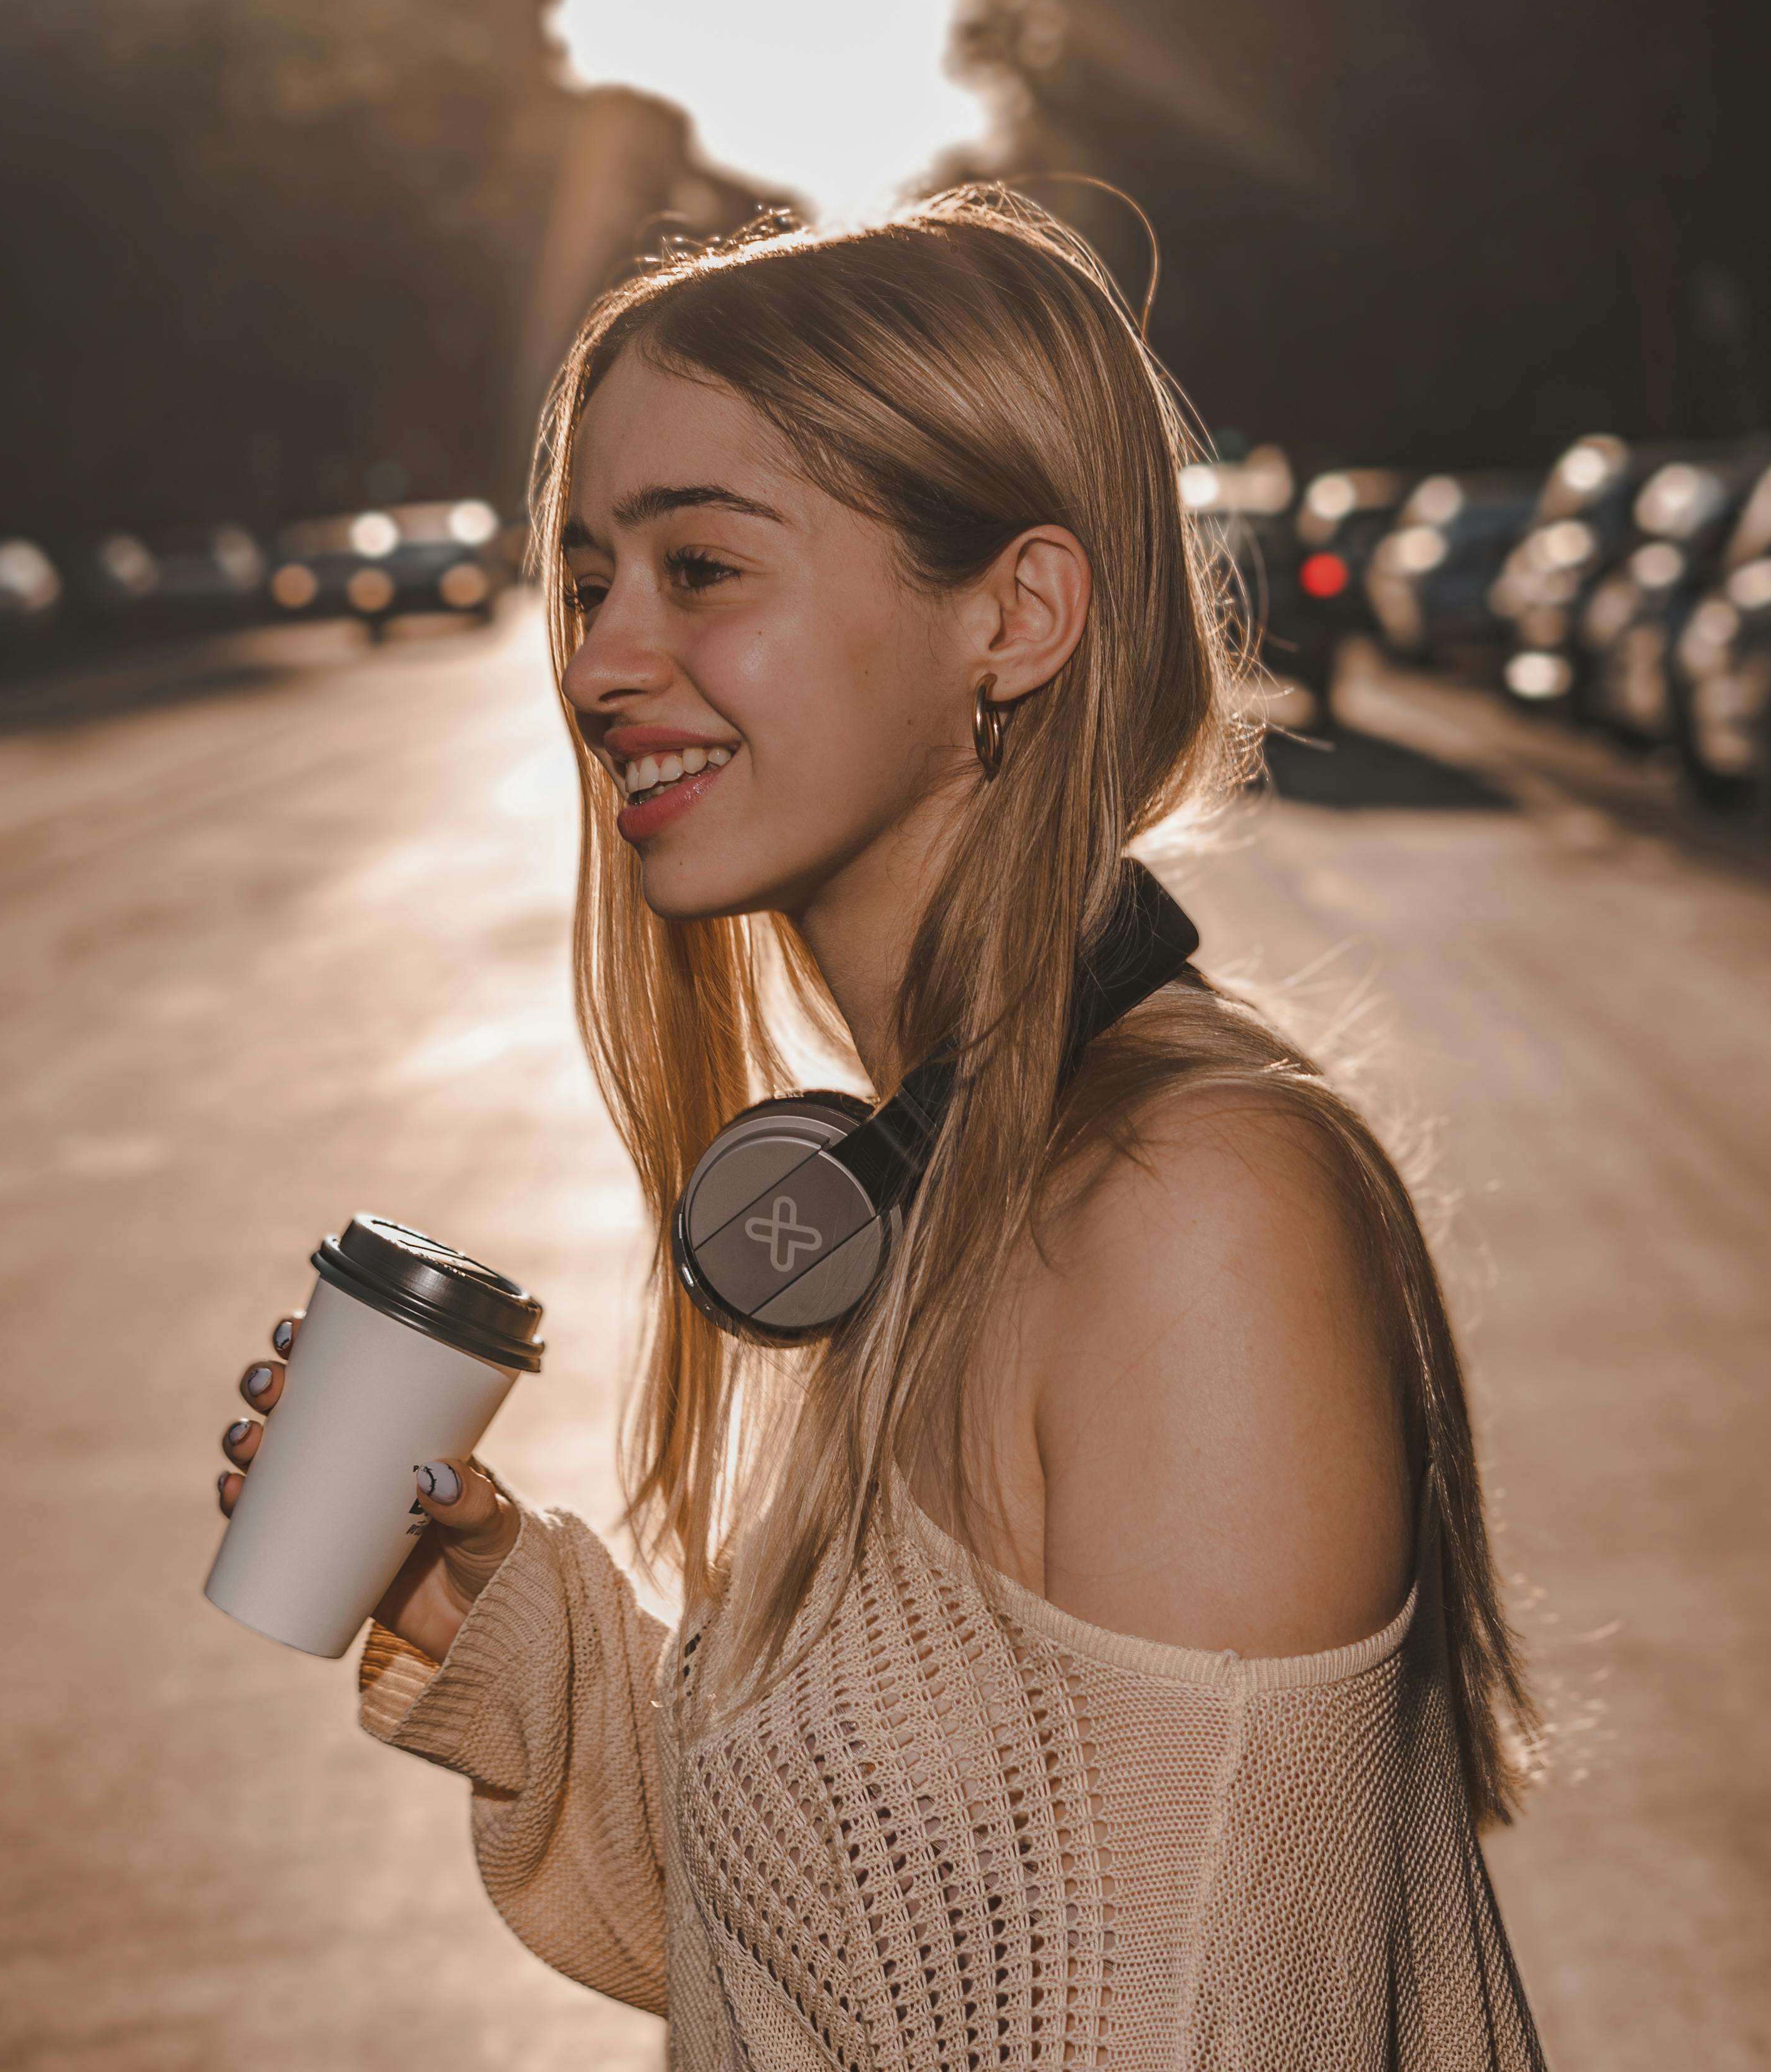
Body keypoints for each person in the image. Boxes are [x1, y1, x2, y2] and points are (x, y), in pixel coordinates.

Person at [214, 190, 1545, 2068]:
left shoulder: (1187, 1215)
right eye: (593, 577)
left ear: (1012, 615)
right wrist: (489, 1608)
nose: (599, 659)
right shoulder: (952, 1169)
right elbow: (869, 1963)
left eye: (704, 569)